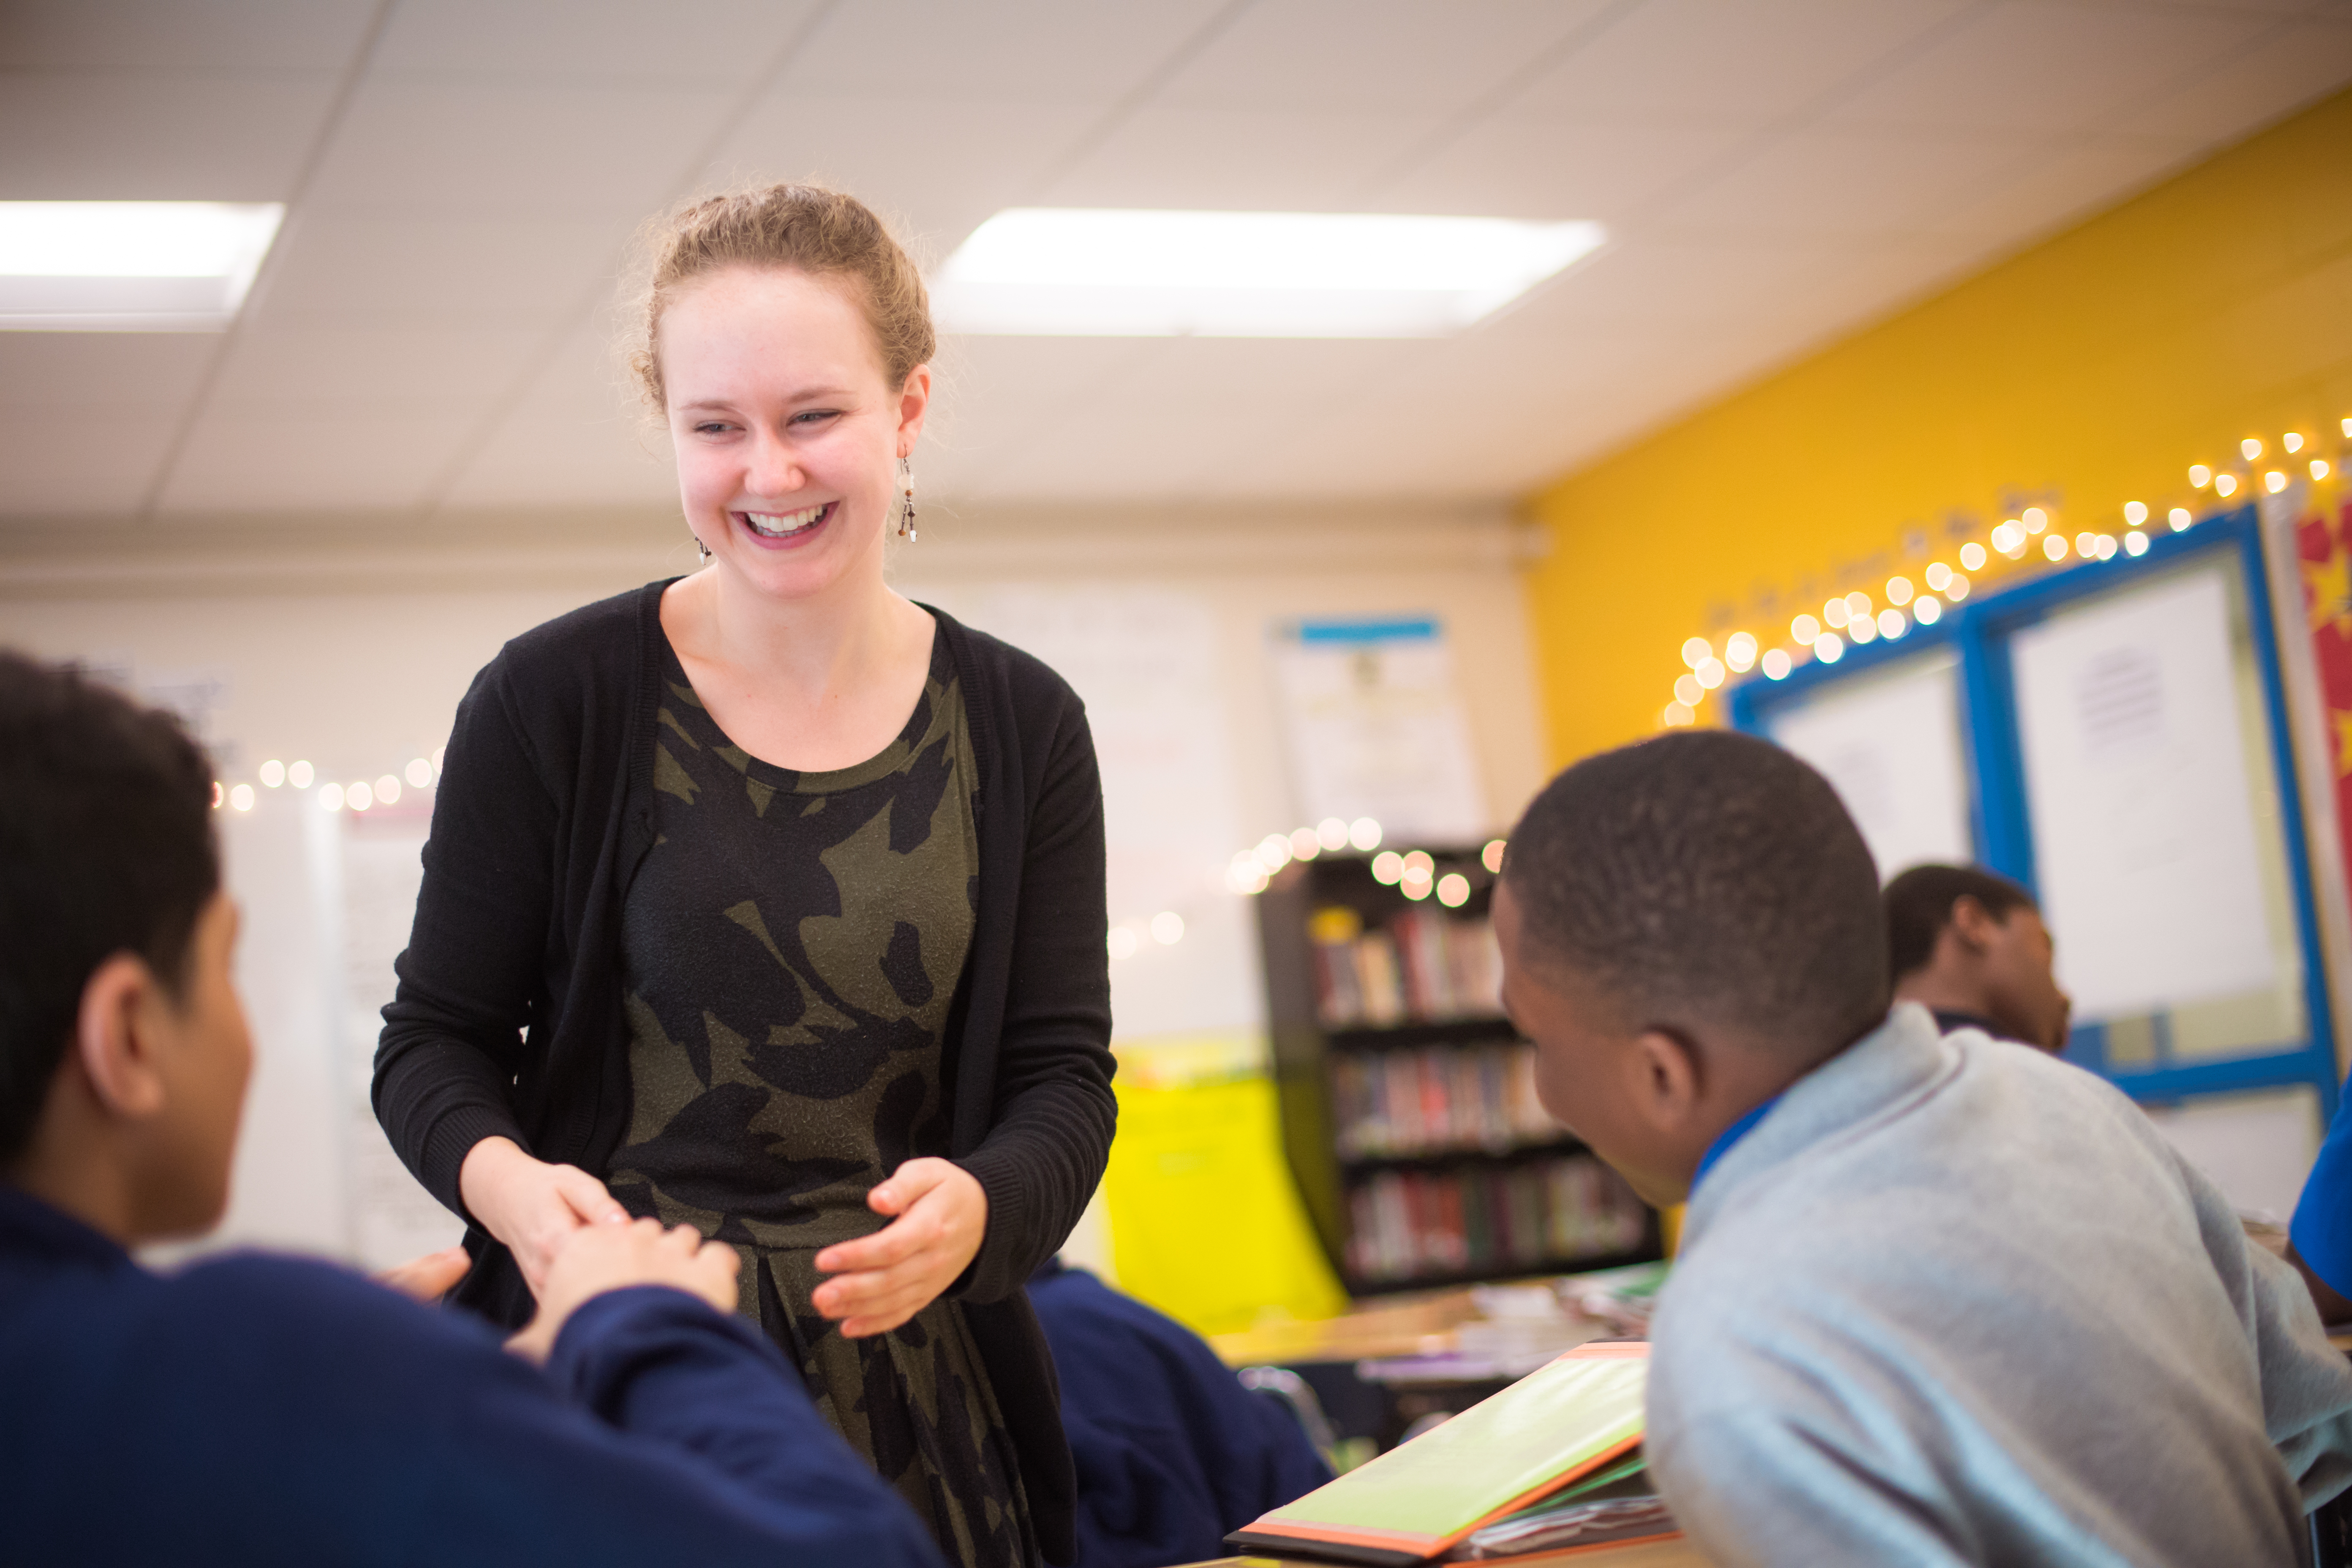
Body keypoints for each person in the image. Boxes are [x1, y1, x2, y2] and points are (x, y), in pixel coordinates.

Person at [373, 182, 1114, 1568]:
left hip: (919, 1396)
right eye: (714, 428)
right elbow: (433, 1046)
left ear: (905, 412)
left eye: (811, 417)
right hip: (624, 1381)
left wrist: (983, 1208)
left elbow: (1061, 1077)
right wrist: (515, 1195)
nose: (765, 474)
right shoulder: (552, 701)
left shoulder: (1020, 726)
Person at [0, 653, 946, 1567]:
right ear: (126, 1034)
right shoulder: (238, 1363)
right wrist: (647, 1327)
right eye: (224, 963)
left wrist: (444, 1387)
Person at [1493, 729, 2352, 1567]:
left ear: (1662, 1074)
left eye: (1535, 1035)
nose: (1543, 1091)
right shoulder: (2070, 1101)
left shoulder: (1731, 1348)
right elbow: (2313, 1409)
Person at [1026, 1260, 1331, 1567]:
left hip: (1252, 1533)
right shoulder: (1084, 1303)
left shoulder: (1040, 1338)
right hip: (1315, 1525)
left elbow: (1168, 1534)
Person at [1883, 862, 2071, 1051]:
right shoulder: (2041, 1078)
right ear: (1974, 923)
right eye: (2047, 955)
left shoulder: (1868, 1069)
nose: (2064, 999)